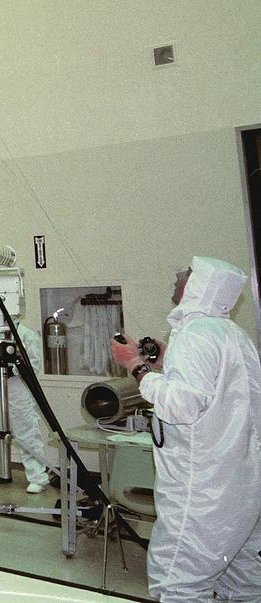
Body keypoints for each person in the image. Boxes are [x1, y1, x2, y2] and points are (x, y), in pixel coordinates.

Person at [110, 257, 261, 601]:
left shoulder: (194, 337)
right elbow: (219, 395)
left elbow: (182, 407)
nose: (177, 278)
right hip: (240, 488)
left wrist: (135, 366)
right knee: (243, 583)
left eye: (186, 274)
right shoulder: (233, 336)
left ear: (200, 286)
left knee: (178, 584)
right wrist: (165, 363)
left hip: (202, 491)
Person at [0, 316, 52, 494]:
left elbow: (34, 365)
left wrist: (12, 370)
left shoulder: (27, 335)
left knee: (26, 433)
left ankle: (38, 477)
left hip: (19, 389)